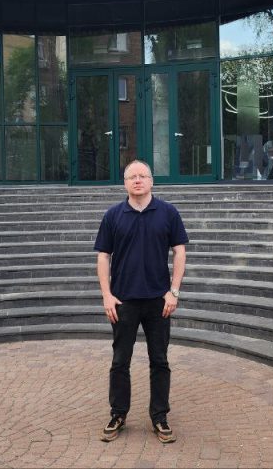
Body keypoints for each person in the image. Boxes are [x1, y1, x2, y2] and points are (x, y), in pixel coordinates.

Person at [94, 160, 188, 444]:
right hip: (123, 302)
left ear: (151, 181)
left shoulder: (168, 213)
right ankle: (118, 414)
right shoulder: (113, 215)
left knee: (159, 360)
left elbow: (180, 252)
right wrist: (107, 295)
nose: (137, 180)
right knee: (120, 361)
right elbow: (103, 256)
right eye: (132, 177)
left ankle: (160, 417)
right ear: (125, 183)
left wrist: (174, 291)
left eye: (142, 176)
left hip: (159, 302)